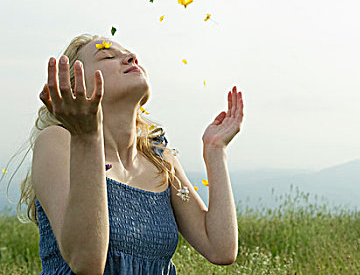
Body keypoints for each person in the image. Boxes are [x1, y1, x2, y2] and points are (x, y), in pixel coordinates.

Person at [26, 33, 242, 274]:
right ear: (77, 85)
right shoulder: (59, 142)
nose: (131, 57)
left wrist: (215, 151)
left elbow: (220, 248)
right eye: (107, 55)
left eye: (129, 54)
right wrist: (87, 136)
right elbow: (86, 263)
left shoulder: (159, 157)